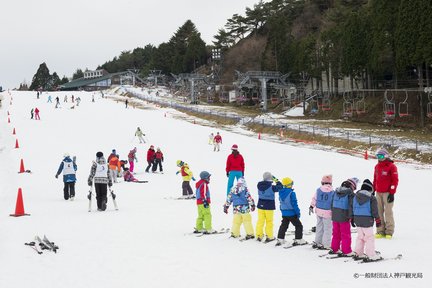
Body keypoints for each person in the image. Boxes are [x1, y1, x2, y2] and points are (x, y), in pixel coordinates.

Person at [351, 179, 382, 261]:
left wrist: (352, 218)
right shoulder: (372, 198)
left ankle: (358, 253)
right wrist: (378, 219)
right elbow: (374, 210)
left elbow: (353, 207)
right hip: (367, 219)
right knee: (369, 237)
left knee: (360, 237)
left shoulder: (355, 196)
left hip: (357, 219)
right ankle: (371, 254)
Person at [373, 148, 399, 239]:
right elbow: (375, 179)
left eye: (381, 156)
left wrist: (392, 193)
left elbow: (395, 180)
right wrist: (373, 189)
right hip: (378, 192)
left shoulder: (391, 166)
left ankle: (389, 231)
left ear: (386, 156)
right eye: (378, 156)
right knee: (378, 212)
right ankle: (380, 230)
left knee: (388, 212)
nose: (379, 158)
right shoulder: (377, 166)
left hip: (387, 193)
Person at [329, 177, 358, 256]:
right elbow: (351, 206)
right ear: (352, 187)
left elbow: (331, 204)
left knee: (336, 233)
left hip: (335, 216)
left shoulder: (336, 192)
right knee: (345, 234)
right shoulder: (350, 194)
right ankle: (346, 250)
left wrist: (333, 212)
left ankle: (334, 248)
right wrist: (351, 217)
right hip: (344, 217)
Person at [276, 177, 306, 246]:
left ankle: (280, 238)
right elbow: (294, 204)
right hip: (292, 213)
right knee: (299, 226)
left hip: (284, 213)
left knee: (283, 226)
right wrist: (297, 212)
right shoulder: (292, 193)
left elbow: (281, 203)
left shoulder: (280, 193)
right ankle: (298, 239)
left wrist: (282, 211)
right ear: (289, 185)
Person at [309, 175, 335, 250]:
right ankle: (326, 244)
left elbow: (314, 199)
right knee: (328, 228)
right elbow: (333, 202)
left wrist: (311, 206)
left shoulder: (318, 190)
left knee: (319, 227)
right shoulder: (332, 192)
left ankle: (317, 242)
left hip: (319, 211)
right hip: (327, 212)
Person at [256, 172, 283, 243]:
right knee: (269, 222)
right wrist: (276, 180)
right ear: (270, 178)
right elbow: (280, 187)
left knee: (260, 221)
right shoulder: (272, 187)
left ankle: (259, 235)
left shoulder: (259, 185)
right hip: (269, 206)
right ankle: (269, 236)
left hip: (260, 206)